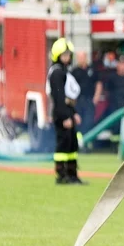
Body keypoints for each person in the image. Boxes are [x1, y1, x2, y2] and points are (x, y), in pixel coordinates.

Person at [47, 38, 85, 185]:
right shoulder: (56, 73)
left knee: (72, 144)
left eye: (69, 54)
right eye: (64, 55)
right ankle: (62, 175)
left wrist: (73, 113)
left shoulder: (63, 72)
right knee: (63, 145)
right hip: (61, 114)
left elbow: (68, 97)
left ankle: (72, 174)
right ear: (58, 56)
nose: (67, 57)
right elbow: (59, 98)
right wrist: (64, 117)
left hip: (68, 112)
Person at [104, 55, 124, 144]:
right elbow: (107, 91)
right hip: (115, 107)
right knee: (116, 128)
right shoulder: (112, 78)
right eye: (120, 63)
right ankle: (115, 146)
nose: (122, 66)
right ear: (117, 65)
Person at [70, 51, 102, 137]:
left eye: (82, 57)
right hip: (78, 101)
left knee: (89, 122)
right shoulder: (74, 72)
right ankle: (79, 142)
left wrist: (96, 98)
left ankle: (87, 143)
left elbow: (98, 84)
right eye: (79, 58)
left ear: (86, 58)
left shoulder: (92, 70)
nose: (80, 59)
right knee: (78, 122)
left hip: (89, 100)